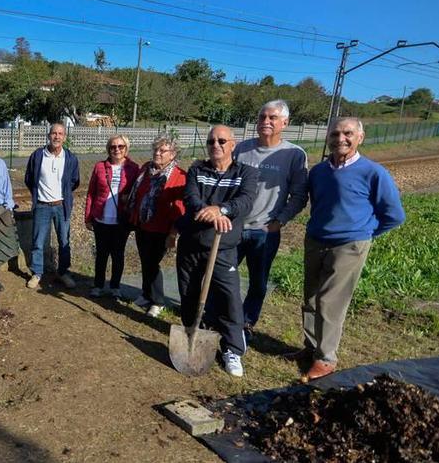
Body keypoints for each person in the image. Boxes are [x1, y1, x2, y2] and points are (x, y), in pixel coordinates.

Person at [289, 117, 405, 381]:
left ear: (360, 138)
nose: (341, 138)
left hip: (349, 245)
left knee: (330, 302)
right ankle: (311, 348)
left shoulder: (373, 173)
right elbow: (319, 204)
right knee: (310, 298)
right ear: (328, 138)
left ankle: (326, 359)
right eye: (335, 133)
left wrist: (363, 234)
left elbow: (395, 215)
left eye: (348, 133)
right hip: (317, 240)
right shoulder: (318, 172)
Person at [176, 125, 257, 377]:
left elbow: (244, 202)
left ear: (233, 144)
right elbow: (191, 198)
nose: (216, 145)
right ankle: (191, 332)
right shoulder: (197, 170)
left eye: (222, 141)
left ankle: (233, 348)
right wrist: (213, 212)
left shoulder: (246, 173)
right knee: (188, 293)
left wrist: (220, 209)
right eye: (211, 141)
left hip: (223, 248)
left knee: (229, 298)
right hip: (191, 244)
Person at [233, 100, 308, 338]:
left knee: (258, 282)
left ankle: (246, 321)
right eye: (262, 117)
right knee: (224, 275)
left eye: (272, 118)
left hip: (264, 230)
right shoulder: (241, 149)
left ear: (284, 123)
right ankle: (222, 315)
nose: (266, 122)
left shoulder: (294, 155)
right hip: (234, 227)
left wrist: (279, 222)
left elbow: (299, 195)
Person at [127, 137, 186, 317]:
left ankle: (157, 301)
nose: (157, 153)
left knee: (153, 263)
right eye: (156, 150)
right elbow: (137, 192)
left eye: (162, 151)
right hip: (143, 224)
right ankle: (146, 294)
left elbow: (180, 208)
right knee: (145, 261)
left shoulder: (179, 176)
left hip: (162, 228)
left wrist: (173, 233)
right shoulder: (146, 169)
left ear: (173, 154)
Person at [24, 123, 80, 289]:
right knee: (38, 242)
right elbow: (29, 179)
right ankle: (37, 273)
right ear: (49, 135)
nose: (57, 136)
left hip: (61, 206)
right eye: (54, 133)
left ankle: (63, 273)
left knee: (64, 241)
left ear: (64, 137)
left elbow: (74, 181)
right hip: (42, 205)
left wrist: (63, 195)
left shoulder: (70, 158)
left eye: (60, 134)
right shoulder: (38, 156)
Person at [84, 134, 139, 299]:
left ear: (126, 148)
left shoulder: (134, 168)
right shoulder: (100, 167)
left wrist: (128, 197)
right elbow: (91, 193)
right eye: (113, 147)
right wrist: (87, 217)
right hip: (101, 219)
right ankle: (98, 285)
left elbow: (138, 194)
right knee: (101, 254)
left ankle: (115, 286)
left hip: (121, 221)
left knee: (118, 254)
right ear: (109, 149)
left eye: (120, 146)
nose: (117, 150)